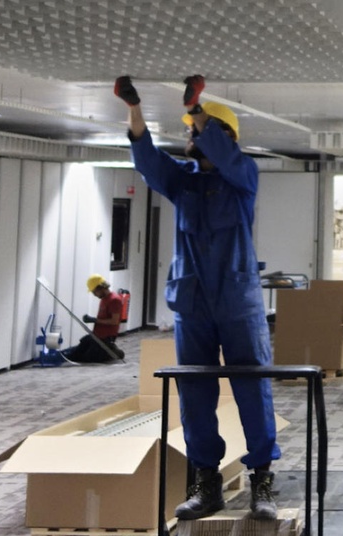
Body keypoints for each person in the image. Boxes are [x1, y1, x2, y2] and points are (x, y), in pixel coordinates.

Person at [113, 74, 279, 523]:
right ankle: (206, 484)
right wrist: (134, 108)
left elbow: (224, 154)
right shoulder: (182, 181)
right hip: (192, 305)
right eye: (190, 129)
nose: (190, 134)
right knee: (195, 397)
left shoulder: (244, 175)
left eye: (198, 129)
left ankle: (262, 478)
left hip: (237, 303)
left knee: (252, 390)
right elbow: (147, 160)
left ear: (223, 137)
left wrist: (198, 109)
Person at [62, 274, 125, 363]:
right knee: (75, 354)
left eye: (94, 291)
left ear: (100, 288)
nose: (94, 294)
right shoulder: (104, 299)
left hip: (105, 339)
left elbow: (114, 321)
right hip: (96, 336)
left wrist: (94, 320)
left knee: (87, 359)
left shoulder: (114, 300)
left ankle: (113, 352)